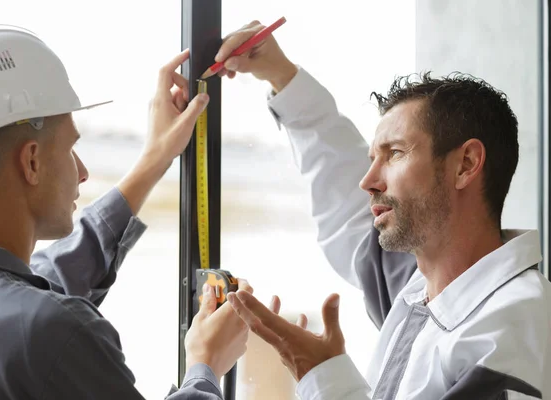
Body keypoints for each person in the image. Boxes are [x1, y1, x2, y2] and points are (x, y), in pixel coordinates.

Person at [216, 20, 551, 399]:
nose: (368, 180)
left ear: (466, 164)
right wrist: (280, 74)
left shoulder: (509, 332)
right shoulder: (424, 286)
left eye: (395, 153)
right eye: (374, 157)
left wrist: (320, 375)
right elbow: (345, 199)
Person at [0, 24, 250, 399]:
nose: (82, 171)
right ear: (32, 161)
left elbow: (50, 277)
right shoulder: (56, 333)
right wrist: (205, 366)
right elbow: (42, 313)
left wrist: (154, 159)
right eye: (70, 149)